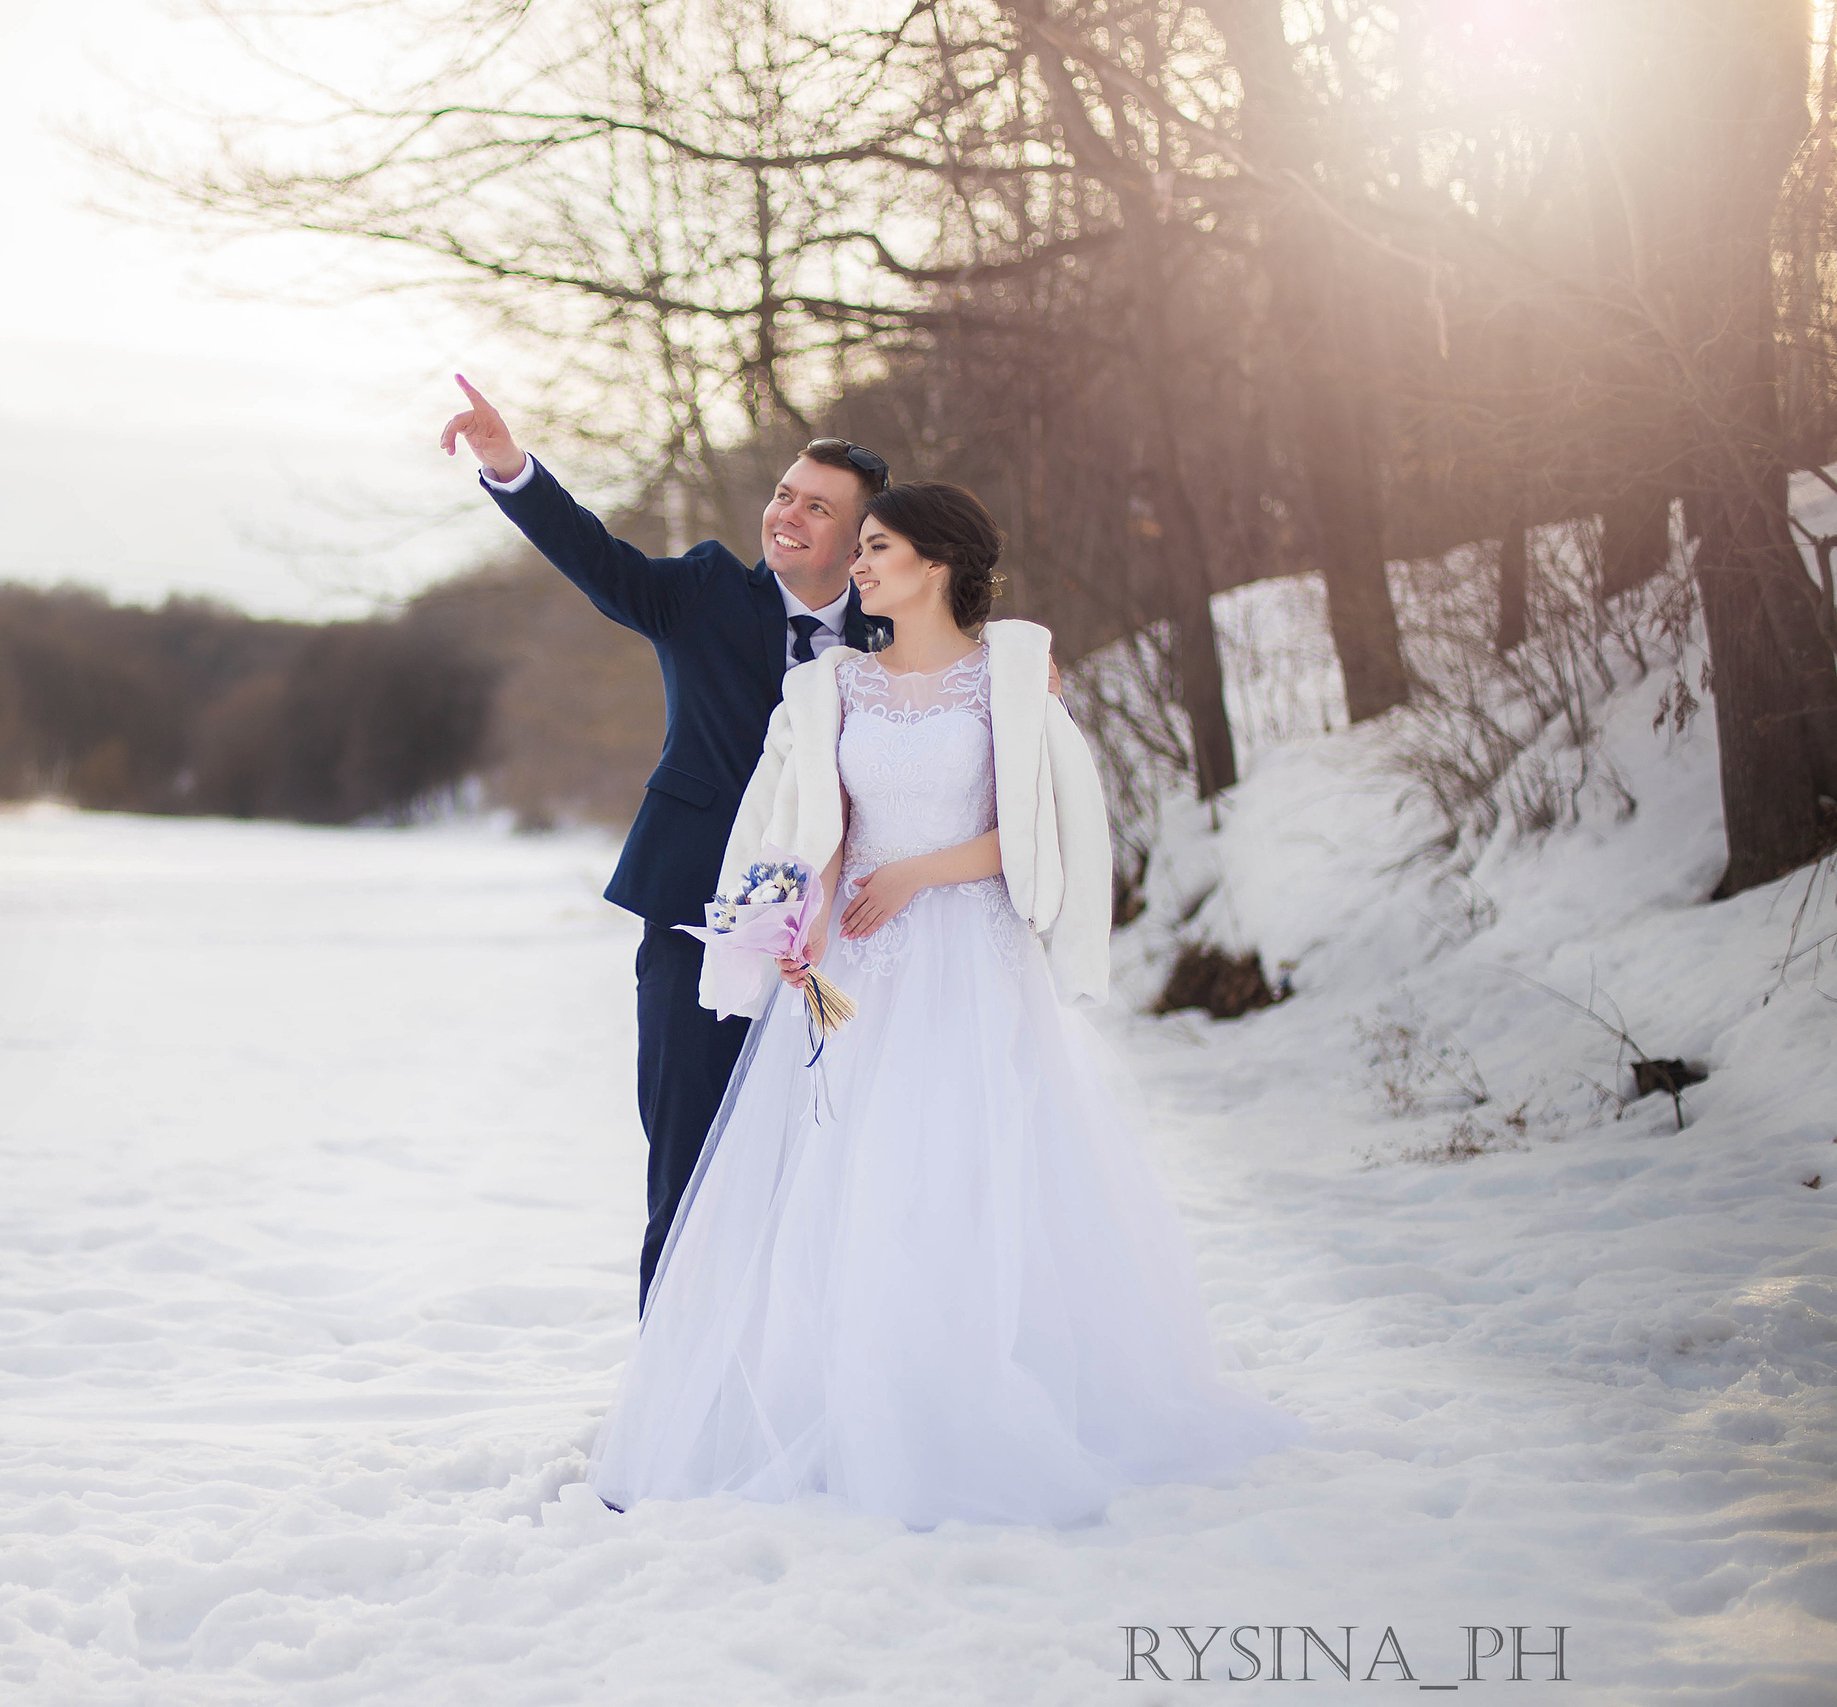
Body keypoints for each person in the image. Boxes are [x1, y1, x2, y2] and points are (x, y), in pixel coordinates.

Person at [587, 480, 1309, 1529]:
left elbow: (1043, 828)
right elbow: (811, 826)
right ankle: (846, 1400)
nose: (860, 565)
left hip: (969, 960)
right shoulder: (833, 687)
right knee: (845, 1181)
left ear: (936, 561)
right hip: (857, 973)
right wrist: (799, 929)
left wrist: (923, 873)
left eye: (877, 548)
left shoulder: (1010, 678)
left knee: (963, 1170)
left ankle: (973, 1390)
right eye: (861, 548)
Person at [438, 376, 890, 1313]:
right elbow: (602, 563)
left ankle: (801, 1379)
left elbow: (968, 685)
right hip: (696, 919)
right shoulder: (704, 592)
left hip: (846, 943)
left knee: (829, 1164)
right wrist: (509, 468)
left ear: (859, 542)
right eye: (783, 493)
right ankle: (671, 1394)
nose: (788, 515)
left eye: (818, 507)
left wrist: (1024, 659)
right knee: (690, 1163)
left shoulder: (895, 636)